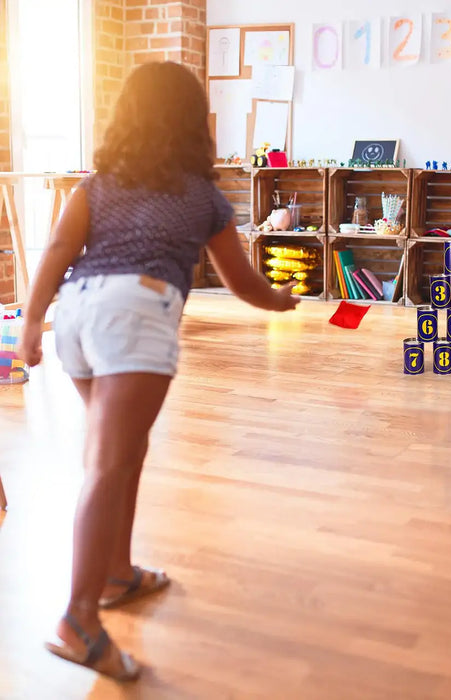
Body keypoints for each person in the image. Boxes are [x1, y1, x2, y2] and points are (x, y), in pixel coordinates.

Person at [18, 61, 299, 682]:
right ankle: (78, 619)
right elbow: (241, 281)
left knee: (126, 451)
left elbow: (60, 251)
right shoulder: (203, 197)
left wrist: (31, 323)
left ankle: (116, 573)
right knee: (109, 463)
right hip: (136, 313)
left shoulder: (100, 184)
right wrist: (281, 301)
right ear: (191, 125)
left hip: (78, 317)